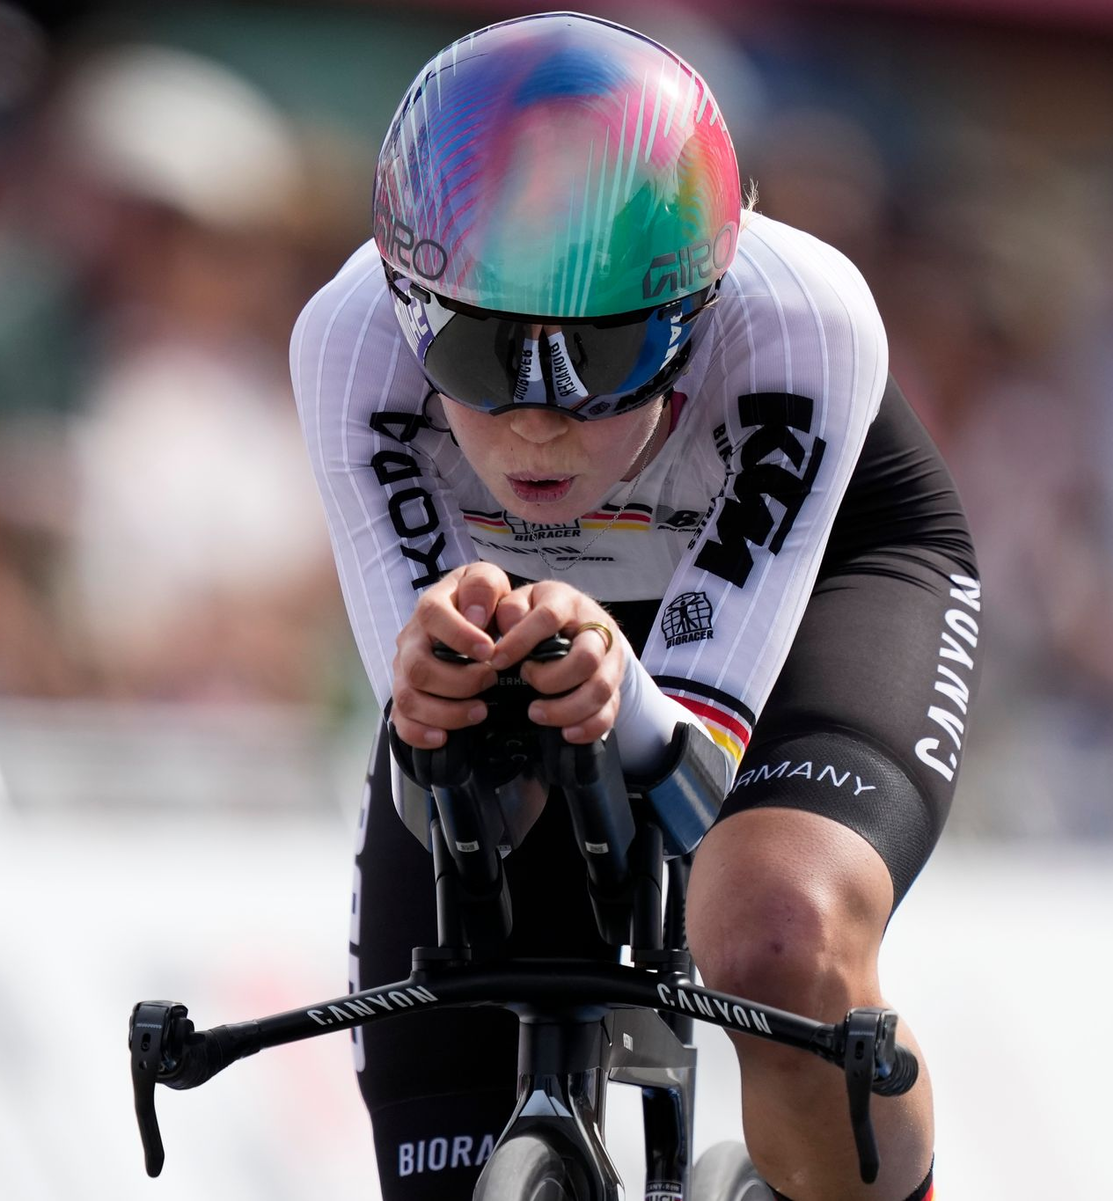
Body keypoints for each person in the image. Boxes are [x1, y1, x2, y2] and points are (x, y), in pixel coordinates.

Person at [290, 13, 980, 1201]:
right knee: (453, 969)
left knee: (773, 933)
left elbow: (692, 775)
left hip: (818, 584)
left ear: (693, 314)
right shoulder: (349, 342)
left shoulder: (800, 316)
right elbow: (436, 761)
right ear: (409, 309)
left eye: (599, 358)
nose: (537, 423)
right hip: (544, 619)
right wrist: (444, 696)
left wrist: (639, 695)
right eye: (478, 353)